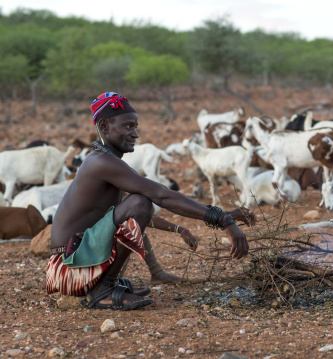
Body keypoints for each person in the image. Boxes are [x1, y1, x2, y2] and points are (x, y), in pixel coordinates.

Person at [46, 92, 256, 310]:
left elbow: (141, 215)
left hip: (77, 261)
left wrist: (220, 217)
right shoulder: (102, 163)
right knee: (140, 203)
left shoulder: (104, 160)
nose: (135, 133)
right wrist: (222, 220)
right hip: (70, 267)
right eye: (127, 126)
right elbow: (159, 195)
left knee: (139, 203)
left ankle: (106, 283)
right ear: (105, 126)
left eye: (136, 126)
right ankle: (102, 290)